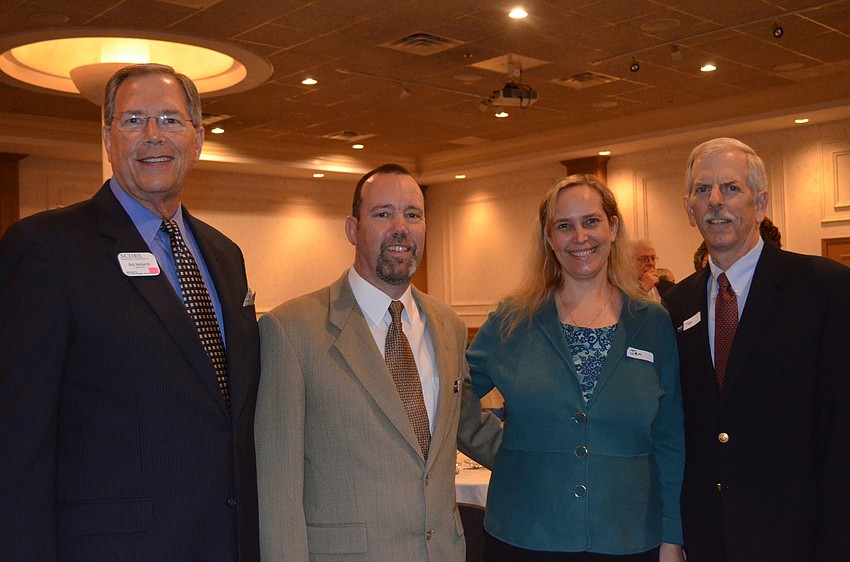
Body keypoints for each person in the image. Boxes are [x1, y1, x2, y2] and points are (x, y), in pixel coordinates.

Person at [0, 64, 261, 561]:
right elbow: (17, 444)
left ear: (199, 137)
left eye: (170, 119)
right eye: (134, 120)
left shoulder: (226, 256)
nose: (153, 136)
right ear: (107, 137)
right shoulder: (47, 249)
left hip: (228, 542)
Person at [255, 163, 502, 561]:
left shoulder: (449, 327)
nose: (401, 227)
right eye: (383, 213)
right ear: (353, 229)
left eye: (413, 214)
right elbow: (277, 488)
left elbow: (466, 426)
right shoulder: (292, 330)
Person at [467, 174, 685, 561]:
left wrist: (673, 535)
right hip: (525, 532)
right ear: (549, 238)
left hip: (630, 534)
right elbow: (454, 392)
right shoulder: (514, 321)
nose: (579, 236)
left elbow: (670, 437)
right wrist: (504, 449)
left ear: (613, 227)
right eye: (564, 226)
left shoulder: (652, 323)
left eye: (591, 221)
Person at [664, 137, 850, 562]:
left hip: (798, 536)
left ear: (760, 201)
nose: (715, 202)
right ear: (688, 209)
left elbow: (841, 431)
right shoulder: (675, 306)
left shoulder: (824, 289)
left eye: (730, 188)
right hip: (708, 536)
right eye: (702, 190)